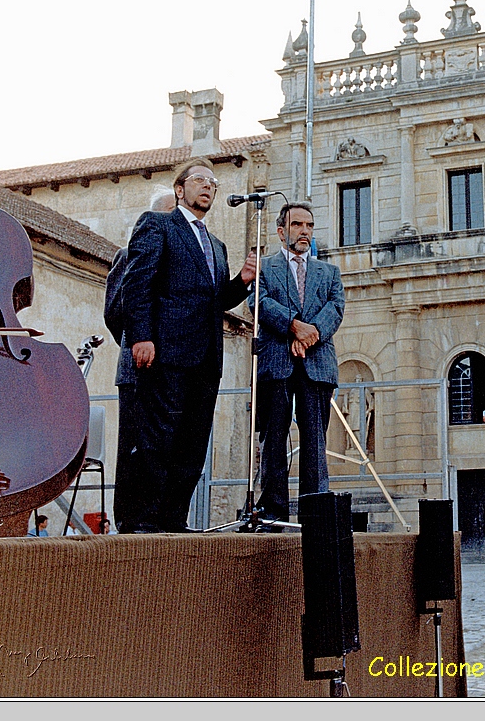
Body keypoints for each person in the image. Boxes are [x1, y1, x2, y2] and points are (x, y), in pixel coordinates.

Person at [121, 157, 256, 533]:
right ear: (180, 189)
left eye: (213, 183)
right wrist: (141, 336)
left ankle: (174, 519)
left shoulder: (216, 245)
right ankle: (144, 521)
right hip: (165, 352)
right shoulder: (158, 225)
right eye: (199, 180)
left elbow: (216, 300)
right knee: (158, 438)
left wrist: (242, 280)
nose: (208, 187)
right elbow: (137, 285)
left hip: (205, 358)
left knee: (192, 444)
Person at [252, 202, 345, 526]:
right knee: (274, 439)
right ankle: (273, 513)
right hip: (276, 363)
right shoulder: (265, 268)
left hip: (317, 364)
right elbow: (258, 303)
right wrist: (294, 326)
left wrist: (310, 334)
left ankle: (315, 512)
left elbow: (336, 307)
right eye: (297, 225)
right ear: (281, 231)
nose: (304, 231)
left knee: (315, 442)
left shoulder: (329, 272)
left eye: (309, 225)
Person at [104, 187, 177, 533]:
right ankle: (129, 522)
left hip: (170, 373)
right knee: (133, 450)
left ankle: (160, 518)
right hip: (137, 371)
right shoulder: (129, 254)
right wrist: (141, 339)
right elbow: (117, 311)